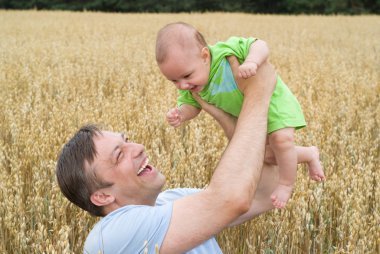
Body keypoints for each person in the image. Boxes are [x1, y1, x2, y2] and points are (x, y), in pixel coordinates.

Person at [56, 57, 279, 253]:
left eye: (126, 140)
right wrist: (257, 95)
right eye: (119, 155)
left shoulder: (170, 200)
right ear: (103, 197)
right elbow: (230, 200)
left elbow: (263, 194)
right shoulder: (110, 237)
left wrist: (224, 117)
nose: (139, 147)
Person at [155, 22, 325, 208]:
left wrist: (252, 61)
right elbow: (191, 105)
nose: (182, 85)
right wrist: (181, 114)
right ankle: (309, 154)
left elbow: (259, 45)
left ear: (204, 56)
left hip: (273, 101)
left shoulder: (225, 52)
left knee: (281, 140)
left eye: (187, 76)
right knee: (265, 155)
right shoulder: (192, 87)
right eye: (174, 81)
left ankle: (286, 184)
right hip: (252, 115)